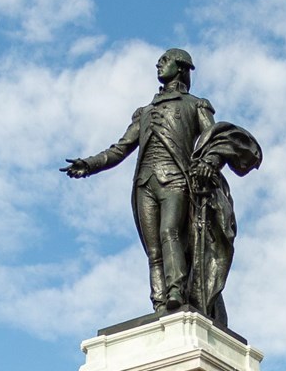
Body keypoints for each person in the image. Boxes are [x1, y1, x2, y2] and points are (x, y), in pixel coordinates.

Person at [62, 49, 260, 325]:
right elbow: (120, 149)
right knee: (153, 249)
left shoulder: (195, 105)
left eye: (165, 61)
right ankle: (160, 301)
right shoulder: (144, 113)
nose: (158, 64)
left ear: (181, 68)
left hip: (176, 179)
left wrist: (211, 161)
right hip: (144, 183)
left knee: (170, 233)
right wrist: (90, 164)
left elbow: (213, 140)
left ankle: (176, 292)